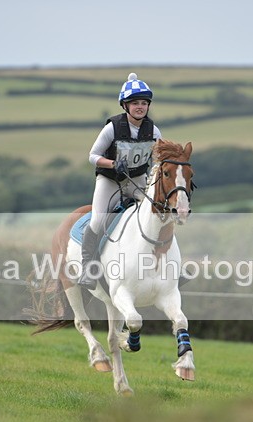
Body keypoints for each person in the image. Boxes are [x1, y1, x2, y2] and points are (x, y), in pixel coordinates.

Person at [79, 73, 162, 288]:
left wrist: (154, 176)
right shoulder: (112, 128)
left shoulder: (153, 131)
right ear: (125, 105)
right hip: (110, 181)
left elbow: (158, 159)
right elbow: (93, 155)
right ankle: (88, 268)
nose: (140, 107)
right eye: (135, 103)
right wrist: (113, 164)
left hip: (136, 180)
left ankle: (170, 267)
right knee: (98, 220)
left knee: (158, 214)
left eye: (144, 103)